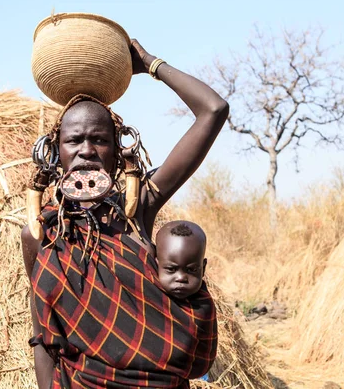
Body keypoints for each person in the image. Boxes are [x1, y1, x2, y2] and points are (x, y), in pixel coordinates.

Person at [21, 38, 228, 389]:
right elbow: (44, 336)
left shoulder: (138, 209)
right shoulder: (39, 232)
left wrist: (150, 64)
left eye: (99, 140)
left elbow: (214, 110)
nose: (86, 150)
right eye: (74, 140)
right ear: (55, 152)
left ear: (120, 152)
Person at [155, 221, 208, 300]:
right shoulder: (148, 294)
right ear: (157, 264)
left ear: (203, 268)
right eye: (171, 269)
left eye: (191, 270)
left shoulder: (205, 304)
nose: (181, 278)